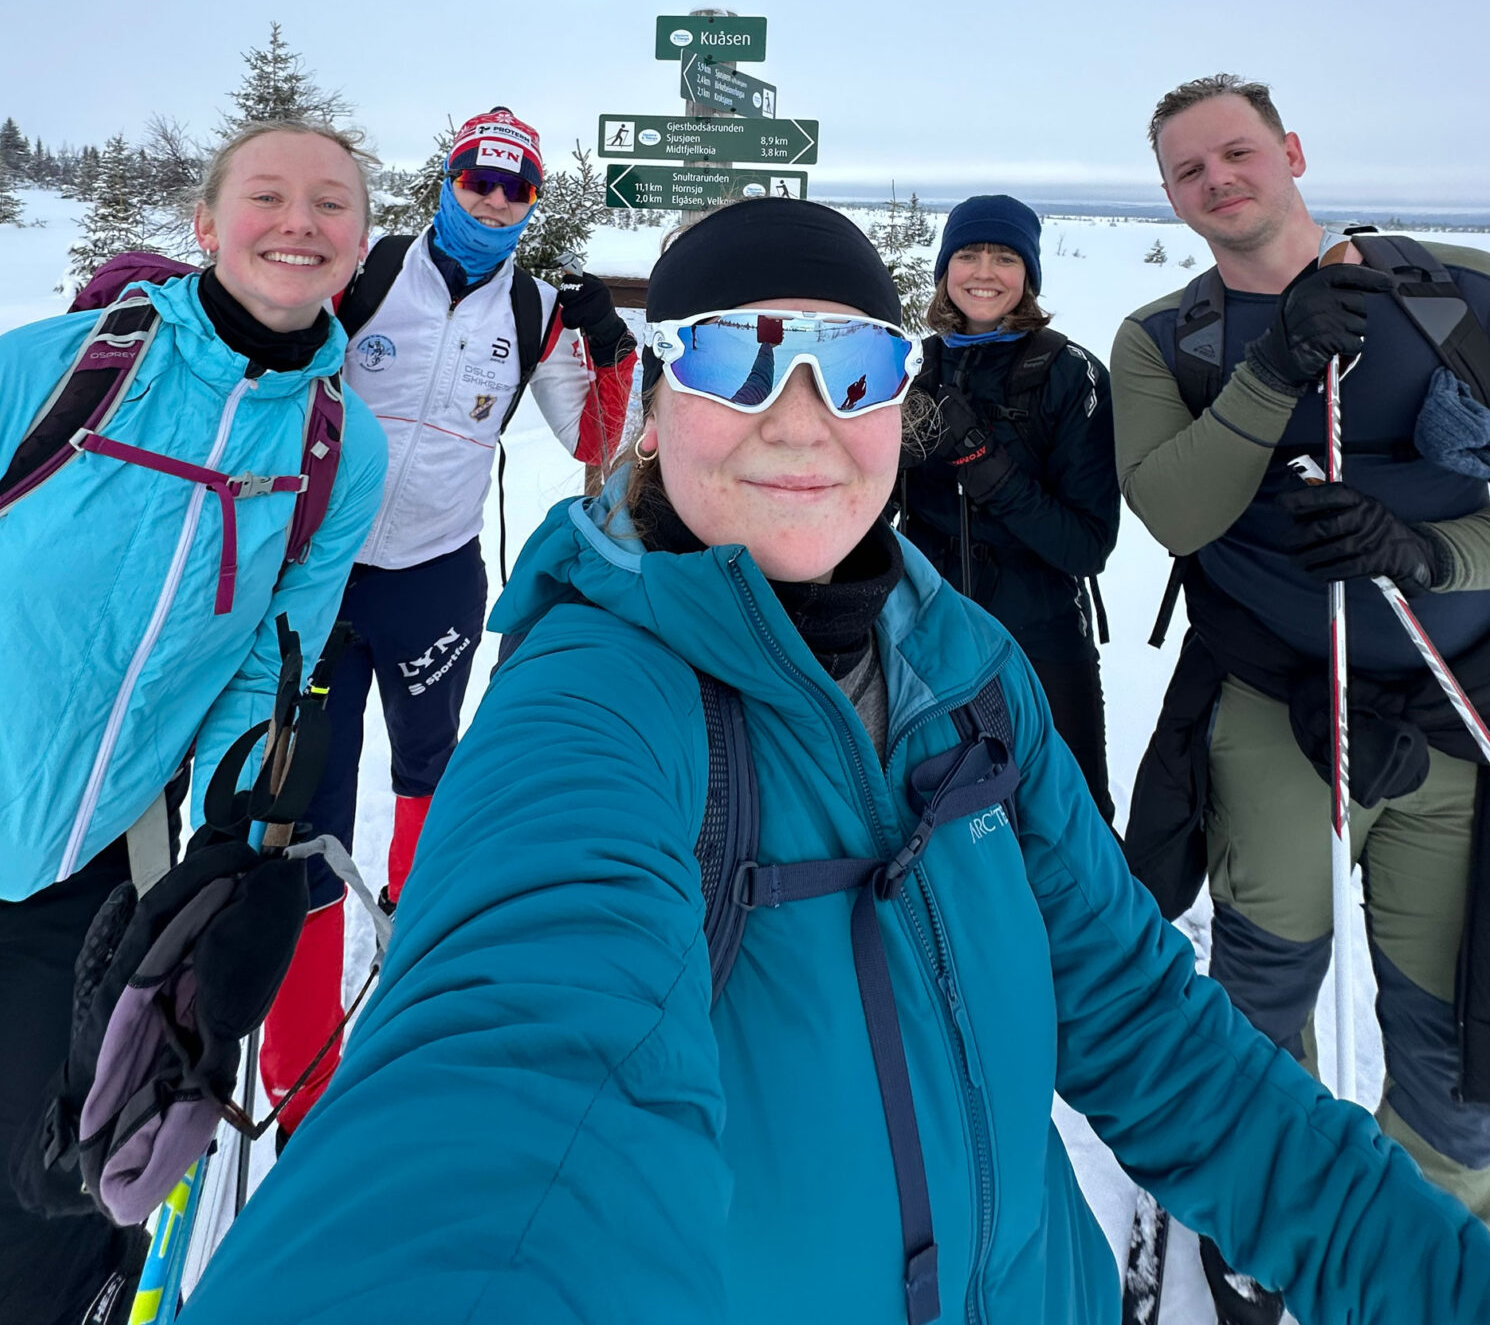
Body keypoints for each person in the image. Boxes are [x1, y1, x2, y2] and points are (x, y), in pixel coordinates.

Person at [184, 197, 1490, 1325]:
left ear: (896, 404)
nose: (800, 419)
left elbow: (1156, 1039)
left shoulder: (969, 673)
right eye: (736, 360)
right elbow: (509, 1087)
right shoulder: (589, 702)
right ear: (647, 410)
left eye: (853, 366)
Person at [0, 119, 387, 1325]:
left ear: (360, 245)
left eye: (332, 204)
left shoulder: (339, 449)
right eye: (267, 195)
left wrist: (224, 858)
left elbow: (272, 660)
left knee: (26, 1250)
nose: (299, 222)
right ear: (206, 225)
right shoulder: (46, 370)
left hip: (86, 879)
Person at [1114, 73, 1490, 1323]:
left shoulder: (1449, 291)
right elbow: (1173, 508)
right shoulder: (1166, 338)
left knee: (1448, 1015)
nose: (1217, 181)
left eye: (1235, 153)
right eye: (1187, 170)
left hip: (1452, 719)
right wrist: (1273, 369)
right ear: (1169, 195)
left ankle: (1433, 1227)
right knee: (1268, 980)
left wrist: (1428, 552)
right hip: (1274, 705)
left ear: (1290, 150)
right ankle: (1278, 1214)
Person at [259, 106, 637, 1140]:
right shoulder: (368, 271)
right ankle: (300, 1062)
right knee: (308, 808)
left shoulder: (535, 310)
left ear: (533, 202)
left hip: (436, 575)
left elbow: (600, 435)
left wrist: (610, 351)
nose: (496, 202)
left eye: (517, 190)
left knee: (430, 773)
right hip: (327, 577)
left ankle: (413, 960)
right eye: (481, 180)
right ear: (449, 179)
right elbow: (269, 341)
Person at [899, 194, 1118, 826]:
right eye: (967, 254)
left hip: (1042, 639)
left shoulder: (1070, 374)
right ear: (946, 270)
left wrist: (982, 464)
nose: (984, 272)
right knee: (939, 819)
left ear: (1028, 274)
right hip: (928, 632)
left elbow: (1087, 546)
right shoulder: (917, 366)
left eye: (1005, 256)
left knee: (1067, 820)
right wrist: (889, 465)